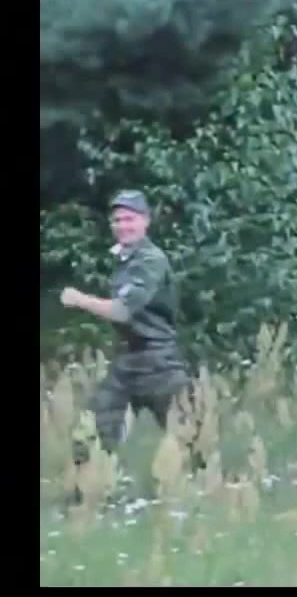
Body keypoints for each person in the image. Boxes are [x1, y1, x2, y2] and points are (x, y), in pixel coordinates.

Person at [59, 190, 200, 503]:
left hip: (159, 361)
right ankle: (84, 500)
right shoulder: (125, 258)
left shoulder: (150, 260)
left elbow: (123, 311)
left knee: (188, 435)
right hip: (129, 359)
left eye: (130, 219)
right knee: (91, 432)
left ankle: (202, 496)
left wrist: (80, 300)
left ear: (145, 221)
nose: (123, 226)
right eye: (118, 220)